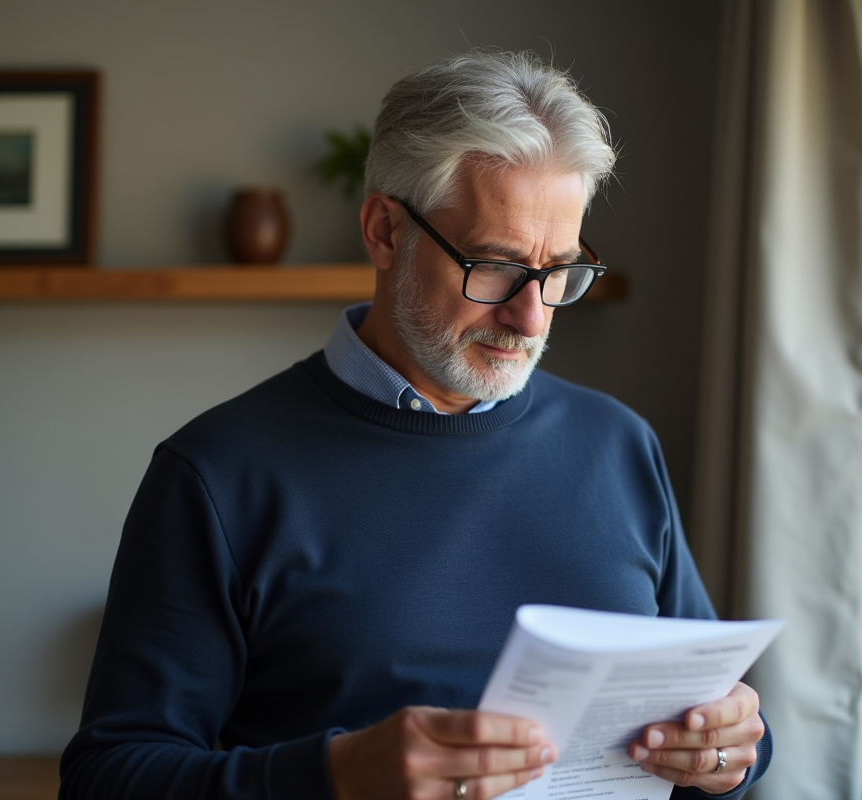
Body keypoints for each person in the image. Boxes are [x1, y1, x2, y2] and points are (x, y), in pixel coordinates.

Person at [59, 49, 771, 800]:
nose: (532, 315)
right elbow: (110, 777)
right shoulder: (216, 475)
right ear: (384, 231)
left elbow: (724, 735)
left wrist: (731, 758)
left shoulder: (619, 444)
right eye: (494, 266)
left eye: (559, 270)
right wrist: (333, 778)